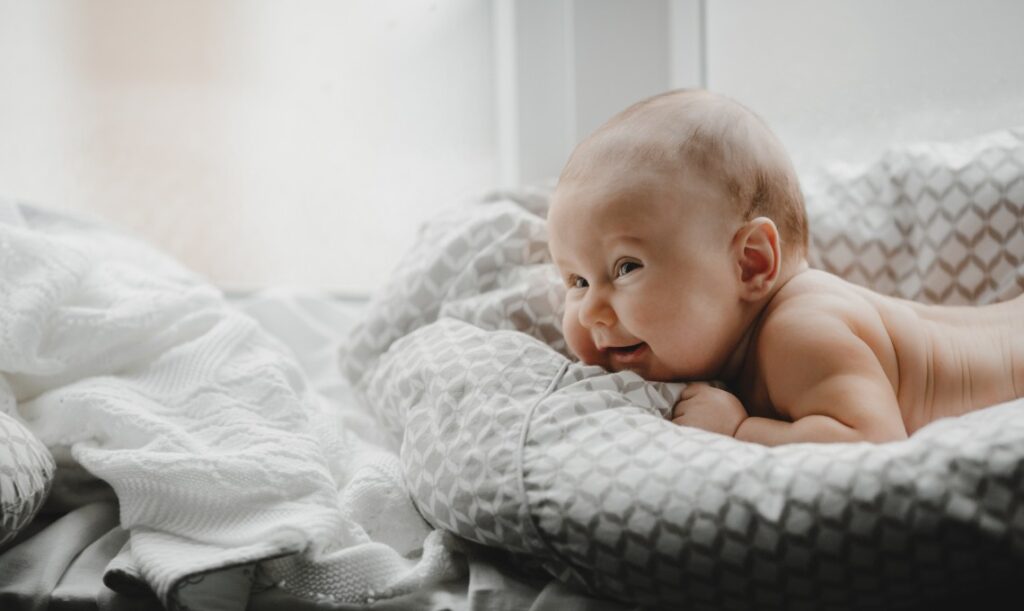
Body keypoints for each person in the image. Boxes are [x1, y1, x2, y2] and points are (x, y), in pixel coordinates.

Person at [546, 89, 1024, 445]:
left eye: (626, 268)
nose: (590, 312)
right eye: (578, 281)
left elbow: (874, 441)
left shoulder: (798, 332)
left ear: (751, 263)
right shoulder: (743, 340)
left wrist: (739, 430)